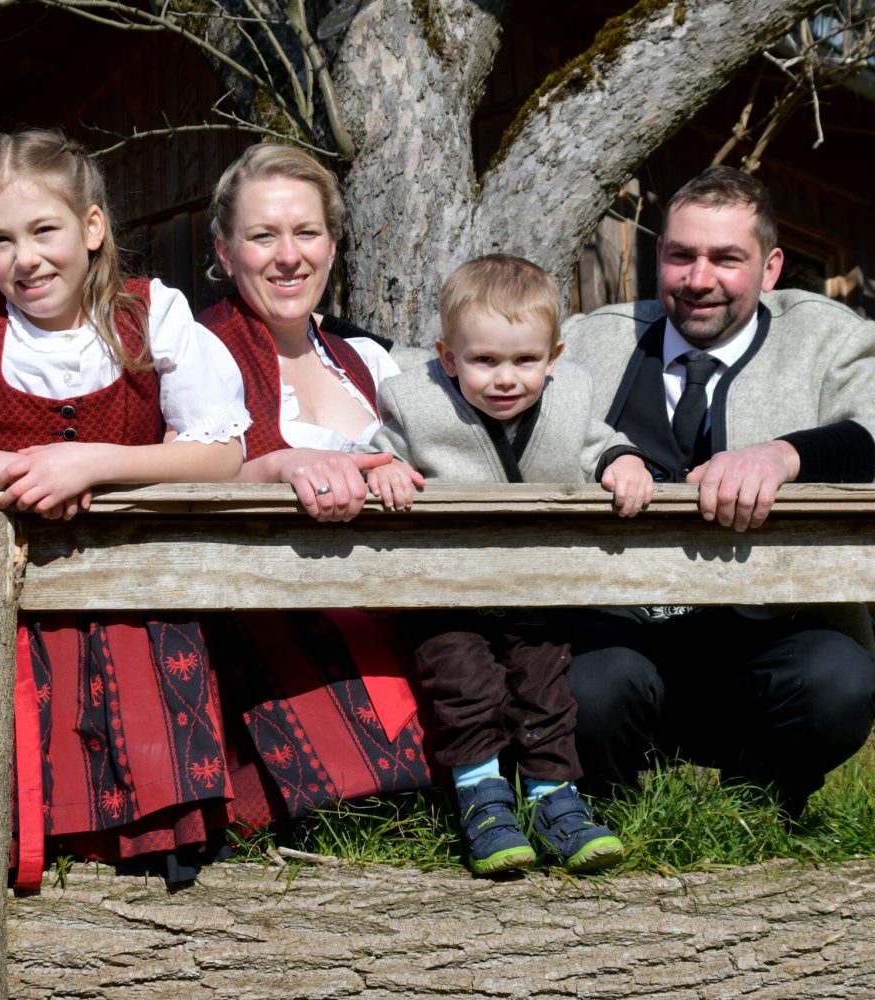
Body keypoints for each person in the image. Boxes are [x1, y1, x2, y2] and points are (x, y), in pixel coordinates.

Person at [0, 129, 250, 889]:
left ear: (91, 227)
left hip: (132, 593)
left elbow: (221, 452)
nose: (26, 258)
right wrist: (6, 468)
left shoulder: (153, 315)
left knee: (137, 725)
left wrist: (96, 463)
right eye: (0, 240)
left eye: (44, 230)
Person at [558, 165, 875, 817]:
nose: (699, 280)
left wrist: (786, 454)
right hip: (615, 636)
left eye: (727, 258)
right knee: (591, 688)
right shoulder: (593, 337)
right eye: (682, 256)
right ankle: (607, 817)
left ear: (770, 267)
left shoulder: (827, 336)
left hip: (763, 637)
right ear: (659, 256)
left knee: (838, 680)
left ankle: (757, 812)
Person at [363, 254, 652, 874]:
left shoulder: (571, 395)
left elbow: (597, 443)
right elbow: (380, 450)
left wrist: (622, 462)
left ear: (553, 357)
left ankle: (556, 800)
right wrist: (386, 469)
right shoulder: (414, 402)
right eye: (484, 361)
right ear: (448, 358)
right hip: (448, 594)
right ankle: (483, 799)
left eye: (525, 361)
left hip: (536, 588)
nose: (505, 379)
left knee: (546, 693)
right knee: (467, 689)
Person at [194, 143, 431, 836]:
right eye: (263, 235)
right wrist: (273, 469)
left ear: (332, 243)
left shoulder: (369, 358)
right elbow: (177, 474)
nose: (288, 255)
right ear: (225, 250)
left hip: (394, 591)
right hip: (268, 600)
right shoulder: (203, 351)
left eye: (307, 232)